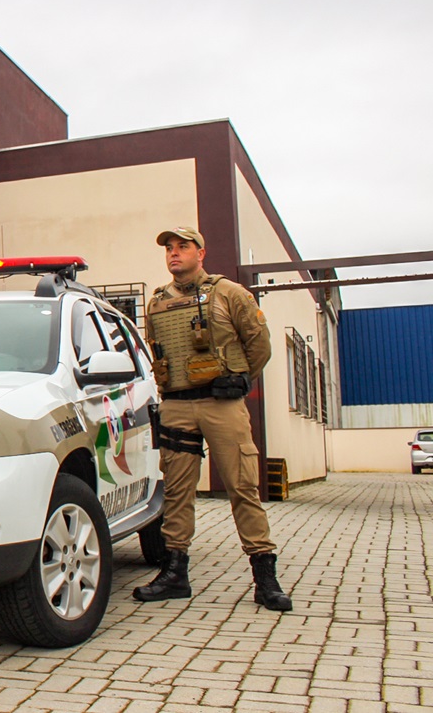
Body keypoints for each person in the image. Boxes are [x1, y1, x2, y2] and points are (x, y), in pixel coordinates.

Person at [134, 227, 293, 611]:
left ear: (201, 253)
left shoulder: (230, 294)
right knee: (176, 490)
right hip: (176, 405)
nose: (174, 254)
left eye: (182, 247)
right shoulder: (156, 303)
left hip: (221, 404)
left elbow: (260, 344)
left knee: (241, 486)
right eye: (169, 249)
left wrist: (239, 380)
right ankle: (175, 573)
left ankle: (265, 577)